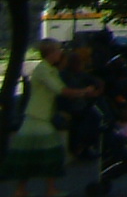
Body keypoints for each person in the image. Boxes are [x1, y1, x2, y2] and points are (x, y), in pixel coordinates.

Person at [1, 39, 97, 197]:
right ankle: (45, 190)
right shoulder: (43, 70)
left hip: (39, 116)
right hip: (37, 117)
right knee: (49, 153)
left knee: (31, 154)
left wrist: (82, 93)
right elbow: (61, 90)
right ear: (51, 52)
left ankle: (27, 190)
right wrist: (85, 91)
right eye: (58, 50)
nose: (60, 53)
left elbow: (64, 90)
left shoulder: (49, 70)